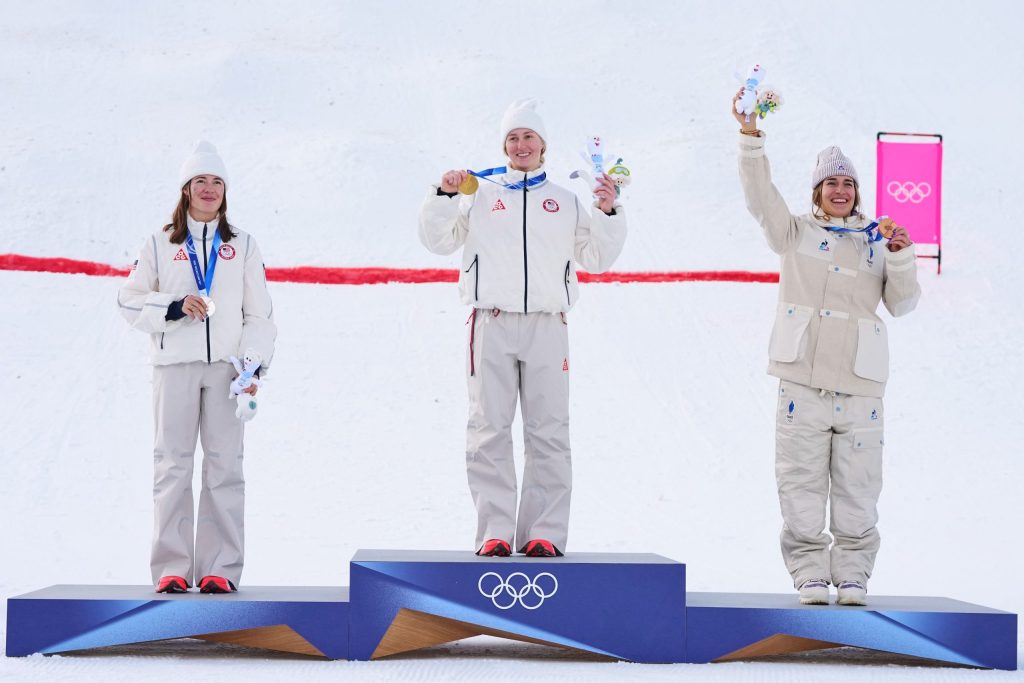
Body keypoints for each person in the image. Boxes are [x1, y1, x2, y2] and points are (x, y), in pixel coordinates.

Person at [732, 91, 921, 605]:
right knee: (800, 487)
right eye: (830, 183)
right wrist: (751, 137)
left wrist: (902, 259)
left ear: (857, 191)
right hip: (802, 386)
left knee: (860, 491)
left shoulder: (878, 239)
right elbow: (758, 194)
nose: (840, 190)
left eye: (848, 183)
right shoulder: (793, 232)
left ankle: (855, 575)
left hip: (861, 390)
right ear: (816, 191)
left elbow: (902, 305)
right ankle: (810, 574)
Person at [418, 99, 627, 557]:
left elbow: (596, 257)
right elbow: (438, 241)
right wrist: (443, 194)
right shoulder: (481, 194)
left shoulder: (567, 201)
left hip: (548, 326)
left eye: (528, 136)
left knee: (548, 430)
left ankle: (544, 533)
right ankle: (494, 530)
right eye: (513, 137)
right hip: (490, 323)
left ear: (543, 144)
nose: (521, 144)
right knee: (489, 428)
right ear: (504, 146)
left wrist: (609, 213)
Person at [118, 141, 276, 593]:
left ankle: (219, 569)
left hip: (228, 373)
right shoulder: (158, 242)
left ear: (226, 192)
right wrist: (172, 307)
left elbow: (260, 314)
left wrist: (251, 366)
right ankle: (171, 567)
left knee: (226, 467)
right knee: (172, 466)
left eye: (217, 182)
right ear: (186, 190)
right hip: (174, 368)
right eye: (200, 181)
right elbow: (128, 301)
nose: (209, 189)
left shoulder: (241, 245)